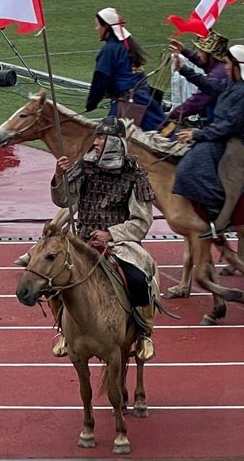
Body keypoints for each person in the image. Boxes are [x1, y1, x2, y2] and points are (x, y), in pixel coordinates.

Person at [48, 120, 158, 361]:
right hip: (82, 241)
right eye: (96, 138)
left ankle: (143, 333)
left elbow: (142, 221)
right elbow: (64, 201)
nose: (95, 143)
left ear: (115, 143)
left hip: (120, 244)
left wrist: (111, 233)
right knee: (51, 278)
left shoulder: (134, 175)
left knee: (139, 279)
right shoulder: (84, 167)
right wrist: (59, 176)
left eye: (101, 138)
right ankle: (64, 329)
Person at [171, 43, 244, 239]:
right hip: (218, 135)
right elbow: (210, 85)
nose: (224, 67)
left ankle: (219, 212)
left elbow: (229, 126)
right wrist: (184, 70)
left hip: (228, 140)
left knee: (187, 169)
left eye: (227, 64)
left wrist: (196, 134)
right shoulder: (234, 85)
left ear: (236, 66)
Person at [84, 8, 166, 130]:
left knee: (109, 138)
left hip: (129, 105)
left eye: (97, 25)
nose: (96, 29)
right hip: (145, 99)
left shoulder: (110, 50)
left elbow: (100, 79)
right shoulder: (128, 45)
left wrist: (91, 104)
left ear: (106, 27)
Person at [166, 32, 232, 126]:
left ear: (210, 55)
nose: (198, 54)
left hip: (221, 124)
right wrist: (184, 51)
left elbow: (197, 102)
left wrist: (172, 115)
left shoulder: (217, 75)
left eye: (201, 51)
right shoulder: (219, 66)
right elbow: (201, 62)